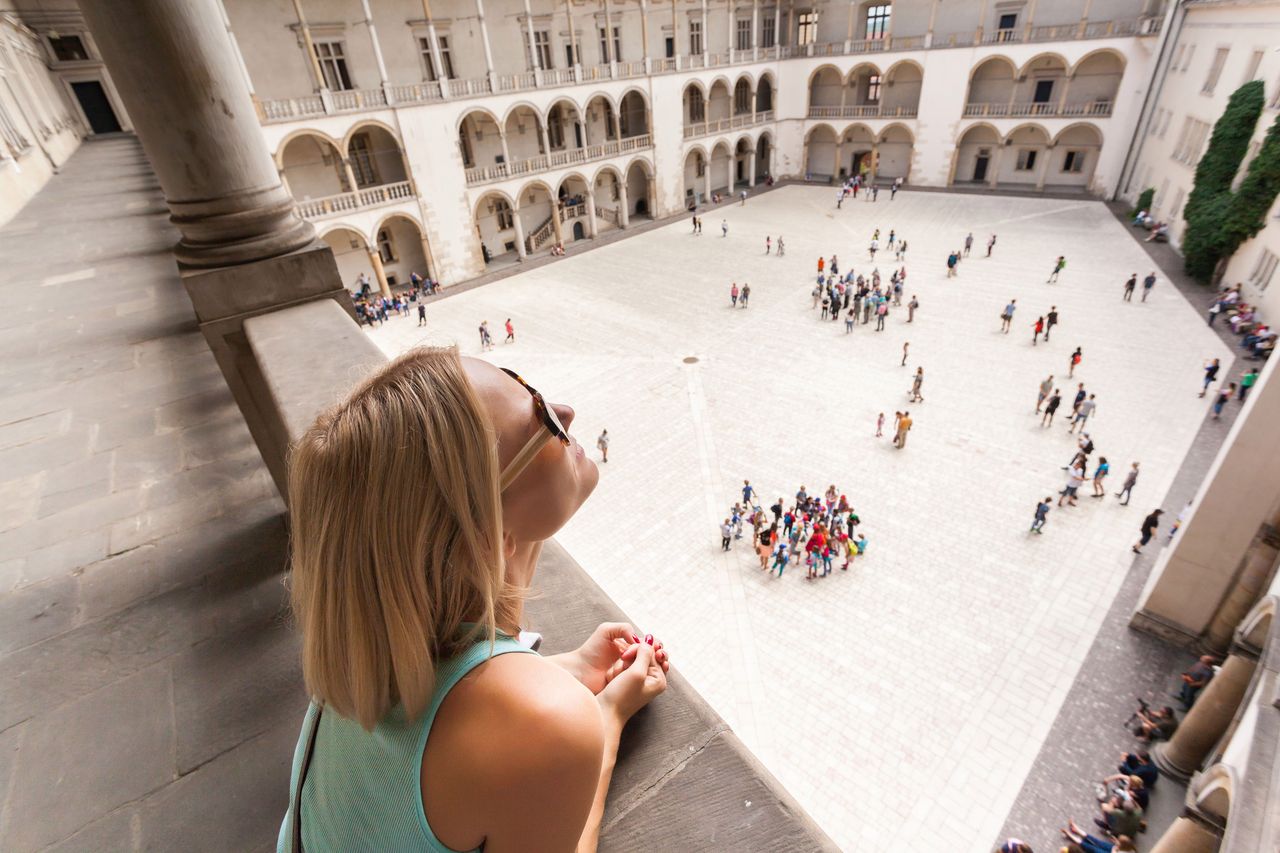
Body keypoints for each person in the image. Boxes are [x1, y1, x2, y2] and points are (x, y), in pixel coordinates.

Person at [278, 348, 670, 852]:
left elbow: (442, 714)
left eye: (525, 383)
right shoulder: (546, 723)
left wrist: (566, 670)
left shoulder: (368, 643)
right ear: (487, 532)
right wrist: (606, 720)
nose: (565, 412)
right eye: (542, 418)